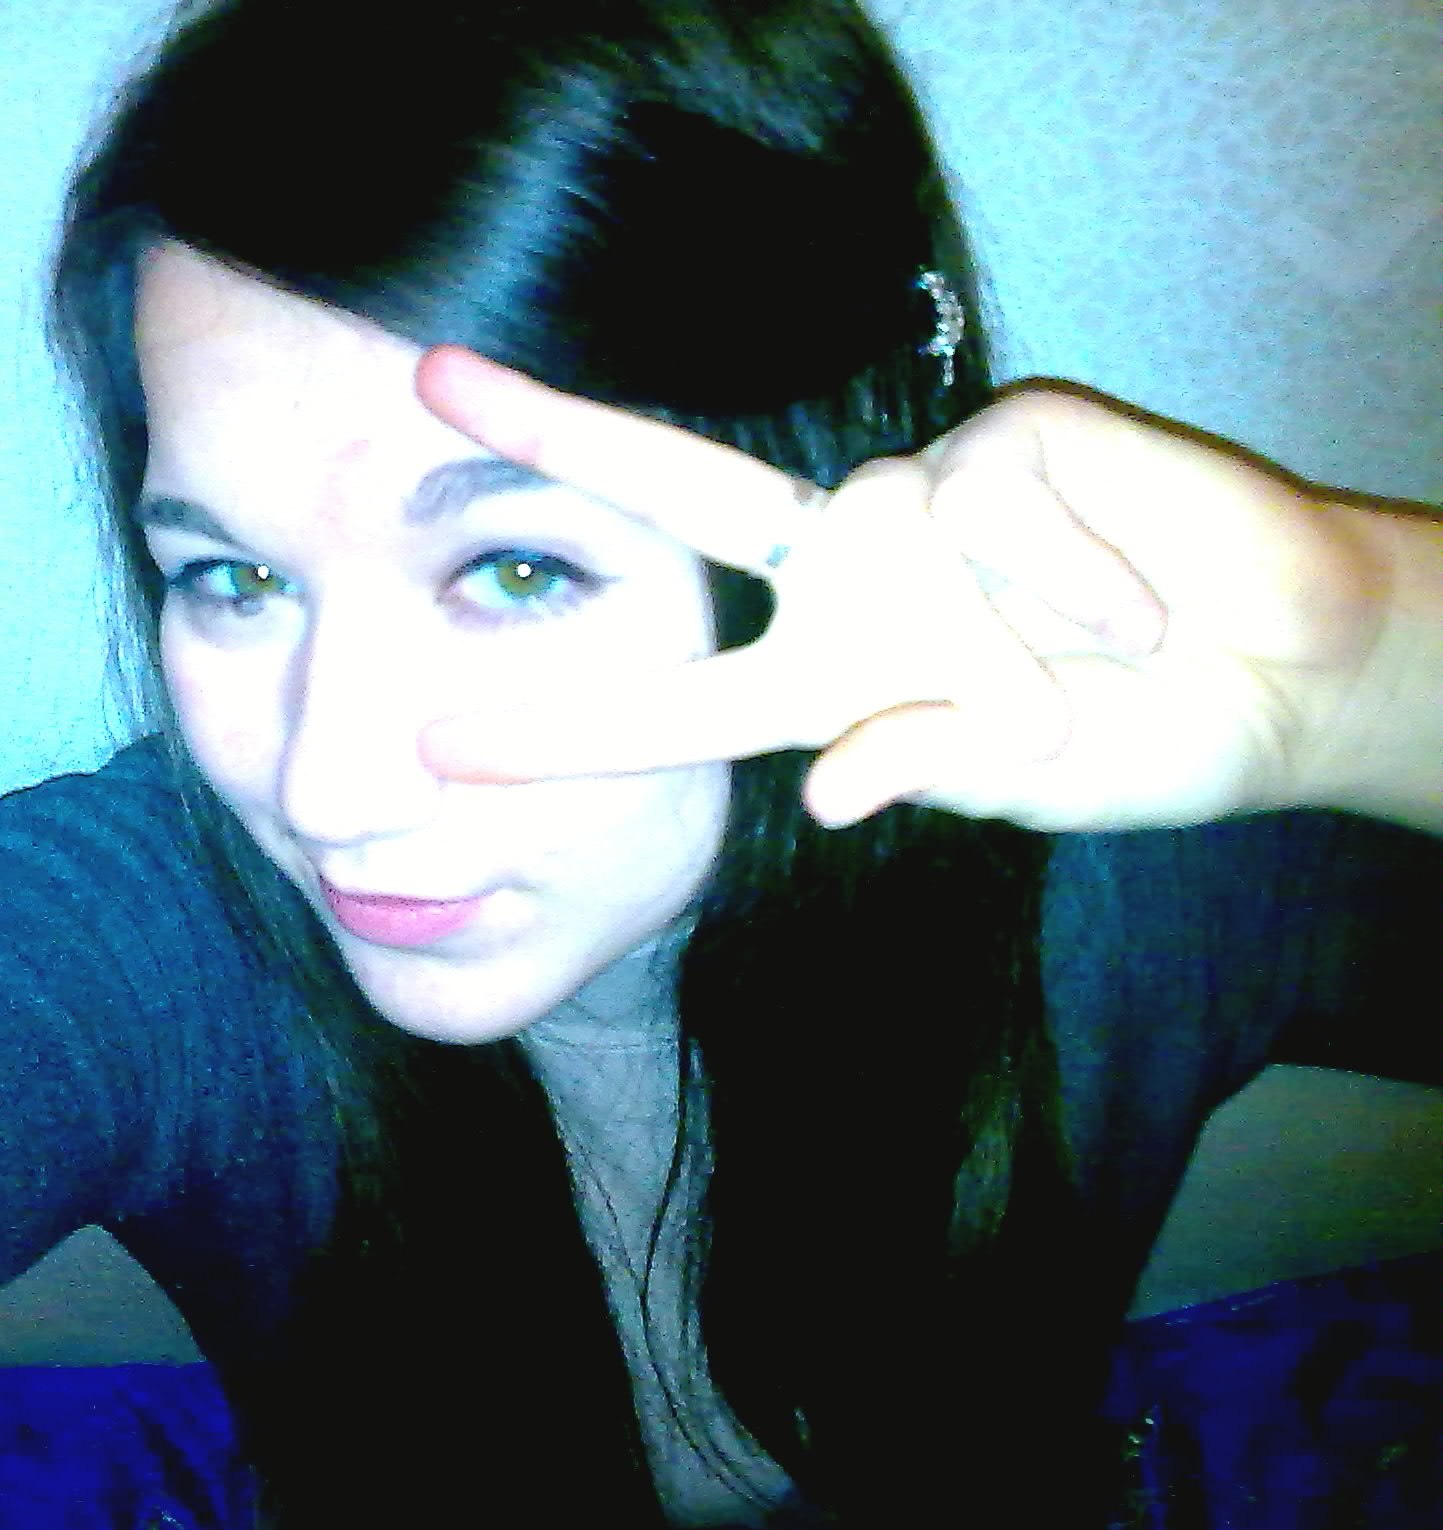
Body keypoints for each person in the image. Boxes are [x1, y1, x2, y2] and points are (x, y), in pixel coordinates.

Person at [5, 0, 1436, 1524]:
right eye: (234, 579)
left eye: (515, 570)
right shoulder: (164, 938)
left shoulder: (1112, 864)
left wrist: (1376, 672)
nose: (323, 790)